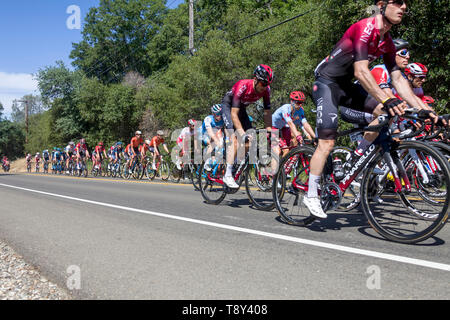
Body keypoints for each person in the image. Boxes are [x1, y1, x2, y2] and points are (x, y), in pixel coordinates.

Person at [307, 0, 439, 219]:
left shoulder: (386, 42)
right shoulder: (365, 28)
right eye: (397, 2)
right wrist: (387, 100)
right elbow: (360, 71)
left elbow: (398, 79)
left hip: (346, 87)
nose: (403, 7)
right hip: (326, 84)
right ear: (381, 5)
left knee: (387, 113)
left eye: (405, 4)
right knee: (327, 142)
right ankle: (311, 194)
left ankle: (361, 155)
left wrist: (426, 111)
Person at [221, 64, 274, 188]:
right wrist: (241, 133)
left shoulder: (266, 90)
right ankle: (227, 174)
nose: (264, 87)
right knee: (235, 139)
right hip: (229, 107)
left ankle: (233, 164)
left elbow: (267, 111)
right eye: (262, 84)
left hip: (242, 109)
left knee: (249, 141)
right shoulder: (243, 85)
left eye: (266, 84)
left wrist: (269, 130)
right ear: (255, 79)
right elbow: (234, 114)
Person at [272, 91, 316, 159]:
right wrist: (298, 136)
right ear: (292, 101)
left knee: (289, 150)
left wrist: (315, 138)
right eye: (298, 102)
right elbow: (290, 123)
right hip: (273, 127)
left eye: (302, 102)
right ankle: (275, 168)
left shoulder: (300, 110)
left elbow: (306, 124)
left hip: (284, 127)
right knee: (280, 151)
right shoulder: (285, 108)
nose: (300, 105)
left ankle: (284, 168)